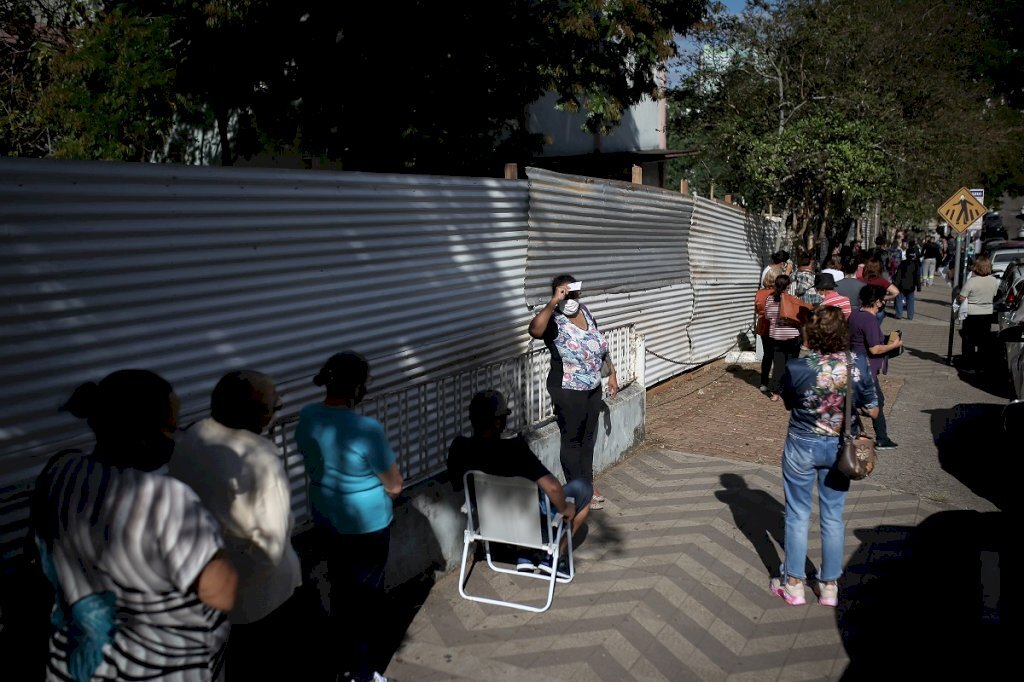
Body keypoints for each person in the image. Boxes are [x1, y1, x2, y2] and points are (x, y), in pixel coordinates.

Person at [31, 370, 237, 681]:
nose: (176, 438)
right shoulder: (165, 500)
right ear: (143, 435)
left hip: (77, 665)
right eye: (171, 428)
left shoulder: (60, 470)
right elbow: (220, 593)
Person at [168, 370, 302, 679]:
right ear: (257, 415)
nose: (277, 410)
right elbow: (268, 552)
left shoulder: (192, 438)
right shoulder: (260, 461)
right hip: (260, 601)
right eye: (274, 405)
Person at [295, 351, 403, 682]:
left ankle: (342, 665)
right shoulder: (366, 429)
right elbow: (395, 485)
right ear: (358, 388)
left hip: (326, 515)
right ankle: (363, 673)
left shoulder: (308, 415)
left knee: (340, 591)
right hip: (367, 524)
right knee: (365, 600)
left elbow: (308, 455)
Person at [771, 306, 879, 607]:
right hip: (840, 446)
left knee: (797, 514)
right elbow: (873, 410)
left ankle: (794, 584)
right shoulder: (857, 363)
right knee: (832, 516)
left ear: (813, 333)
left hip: (801, 444)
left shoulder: (797, 367)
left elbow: (789, 403)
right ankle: (829, 585)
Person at [447, 389, 592, 574]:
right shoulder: (515, 450)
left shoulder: (459, 448)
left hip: (490, 522)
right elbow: (553, 488)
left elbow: (457, 485)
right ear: (498, 422)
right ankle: (554, 556)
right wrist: (565, 509)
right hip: (529, 518)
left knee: (529, 497)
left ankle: (526, 553)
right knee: (584, 489)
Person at [528, 275, 617, 511]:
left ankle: (587, 484)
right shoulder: (553, 319)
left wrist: (612, 374)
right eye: (564, 294)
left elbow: (598, 344)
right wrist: (552, 302)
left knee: (588, 439)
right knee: (572, 440)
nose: (570, 299)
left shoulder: (585, 311)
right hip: (567, 389)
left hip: (592, 388)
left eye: (573, 293)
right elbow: (534, 331)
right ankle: (578, 490)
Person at [848, 285, 903, 449]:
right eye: (882, 299)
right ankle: (881, 438)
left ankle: (861, 427)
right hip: (866, 367)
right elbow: (875, 349)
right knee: (876, 402)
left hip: (855, 363)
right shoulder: (870, 319)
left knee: (877, 400)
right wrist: (894, 345)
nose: (884, 302)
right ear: (877, 301)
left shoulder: (855, 314)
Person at [956, 255, 1001, 373]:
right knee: (984, 341)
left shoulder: (972, 281)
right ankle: (982, 366)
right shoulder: (993, 280)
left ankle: (969, 366)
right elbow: (995, 294)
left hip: (972, 313)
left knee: (969, 341)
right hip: (987, 313)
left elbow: (961, 298)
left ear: (977, 267)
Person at [761, 274, 802, 401]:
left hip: (776, 336)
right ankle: (789, 391)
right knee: (792, 364)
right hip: (792, 335)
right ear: (788, 286)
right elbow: (799, 317)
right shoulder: (792, 299)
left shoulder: (770, 299)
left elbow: (767, 316)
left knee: (778, 366)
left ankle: (776, 393)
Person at [856, 256, 899, 322]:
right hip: (876, 310)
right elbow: (896, 292)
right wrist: (883, 297)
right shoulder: (881, 281)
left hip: (862, 309)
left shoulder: (859, 280)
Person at [894, 238, 922, 320]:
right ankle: (910, 316)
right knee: (910, 300)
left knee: (899, 299)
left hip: (901, 285)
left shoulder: (902, 263)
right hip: (911, 285)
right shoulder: (916, 264)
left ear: (906, 255)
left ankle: (899, 315)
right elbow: (917, 276)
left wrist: (896, 284)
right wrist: (919, 286)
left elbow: (898, 274)